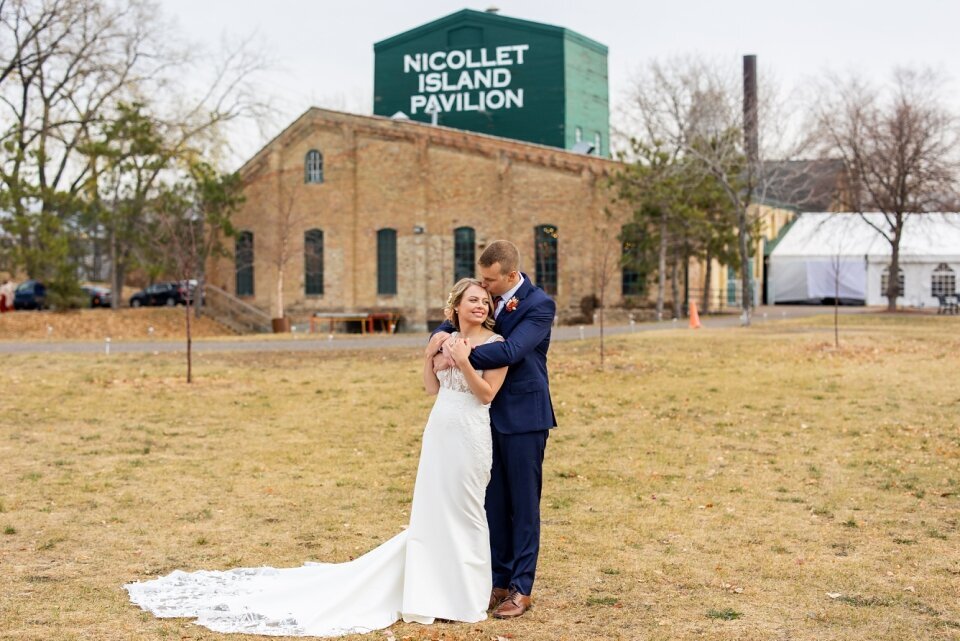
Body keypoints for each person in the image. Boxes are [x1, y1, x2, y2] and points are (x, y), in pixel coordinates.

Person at [124, 279, 507, 637]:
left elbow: (486, 394)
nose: (481, 305)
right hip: (439, 430)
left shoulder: (497, 342)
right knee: (432, 512)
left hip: (470, 434)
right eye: (472, 299)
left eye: (485, 300)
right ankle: (433, 593)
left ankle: (466, 594)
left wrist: (465, 361)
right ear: (455, 306)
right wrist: (430, 357)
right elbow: (429, 388)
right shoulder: (446, 339)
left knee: (469, 510)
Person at [432, 239, 557, 619]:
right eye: (481, 281)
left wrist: (454, 354)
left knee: (523, 504)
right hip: (482, 420)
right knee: (493, 503)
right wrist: (437, 341)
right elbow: (450, 323)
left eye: (489, 282)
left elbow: (509, 352)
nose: (483, 290)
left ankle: (521, 587)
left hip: (523, 418)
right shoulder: (488, 299)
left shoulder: (539, 306)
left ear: (511, 275)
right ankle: (497, 580)